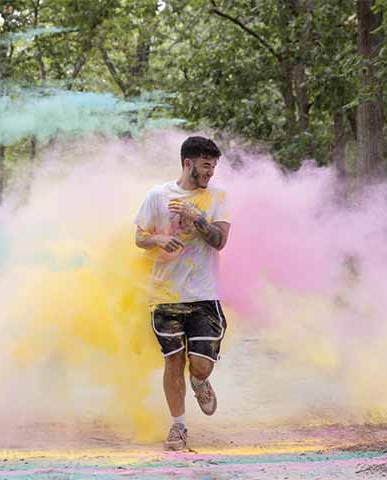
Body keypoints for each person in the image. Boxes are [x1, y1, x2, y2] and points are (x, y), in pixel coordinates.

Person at [134, 136, 231, 450]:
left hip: (204, 294)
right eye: (206, 165)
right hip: (165, 295)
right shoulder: (157, 195)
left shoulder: (218, 196)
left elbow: (219, 241)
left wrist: (196, 217)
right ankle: (178, 428)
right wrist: (159, 240)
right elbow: (140, 237)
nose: (211, 172)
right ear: (188, 163)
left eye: (214, 165)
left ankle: (200, 380)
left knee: (199, 364)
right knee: (173, 361)